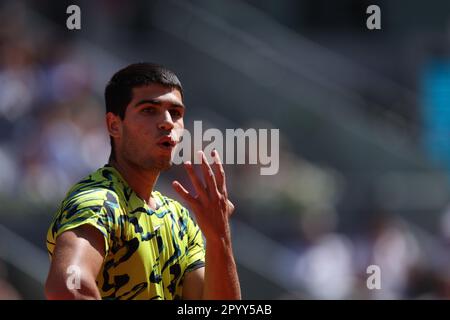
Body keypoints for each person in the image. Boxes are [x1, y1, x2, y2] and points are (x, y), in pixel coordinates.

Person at [44, 63, 241, 300]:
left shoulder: (179, 218)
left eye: (176, 113)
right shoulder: (98, 202)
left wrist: (220, 238)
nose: (167, 122)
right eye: (149, 110)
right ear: (114, 125)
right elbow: (67, 287)